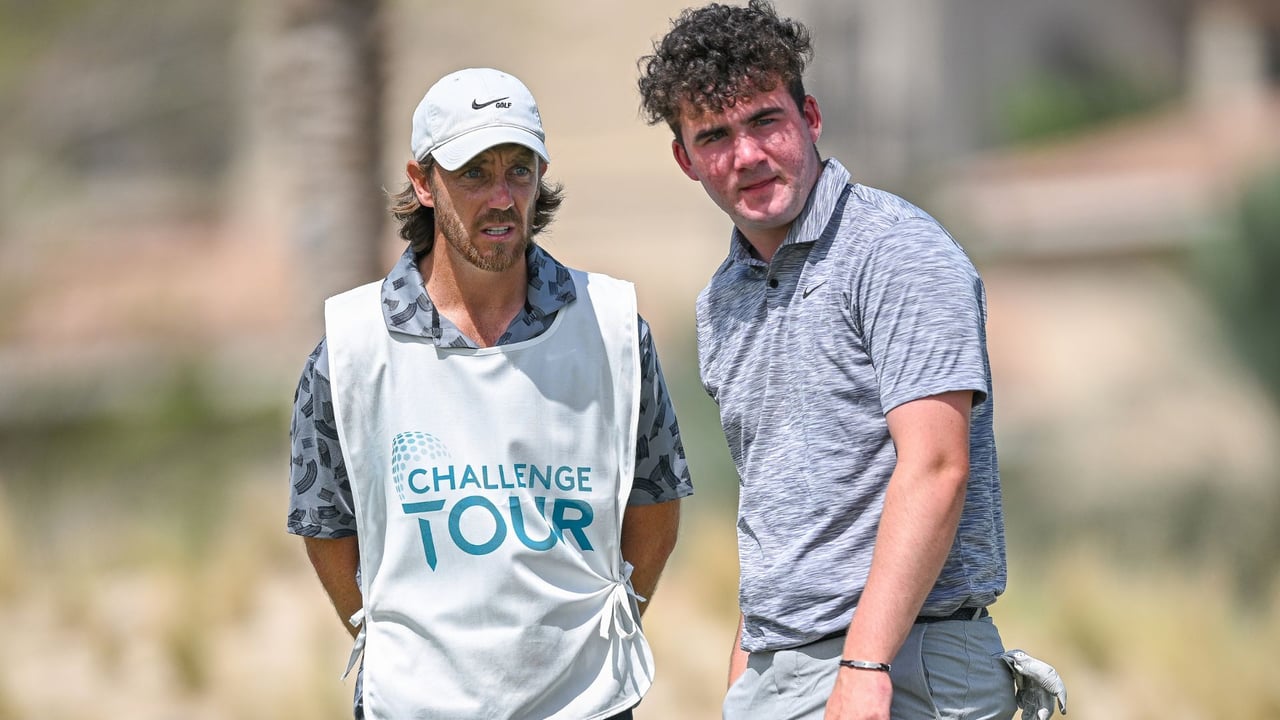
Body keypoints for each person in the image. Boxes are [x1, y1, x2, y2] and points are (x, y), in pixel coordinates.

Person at [638, 3, 1064, 719]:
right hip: (783, 674)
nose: (746, 155)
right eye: (714, 135)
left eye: (765, 121)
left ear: (810, 116)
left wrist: (864, 666)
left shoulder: (896, 251)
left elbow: (935, 467)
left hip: (905, 669)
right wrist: (746, 680)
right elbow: (773, 508)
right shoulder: (722, 300)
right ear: (686, 159)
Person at [288, 67, 691, 720]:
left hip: (586, 705)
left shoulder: (612, 327)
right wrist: (391, 646)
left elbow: (655, 512)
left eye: (520, 171)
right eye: (474, 174)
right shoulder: (352, 344)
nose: (502, 198)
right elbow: (327, 528)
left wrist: (600, 639)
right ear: (422, 182)